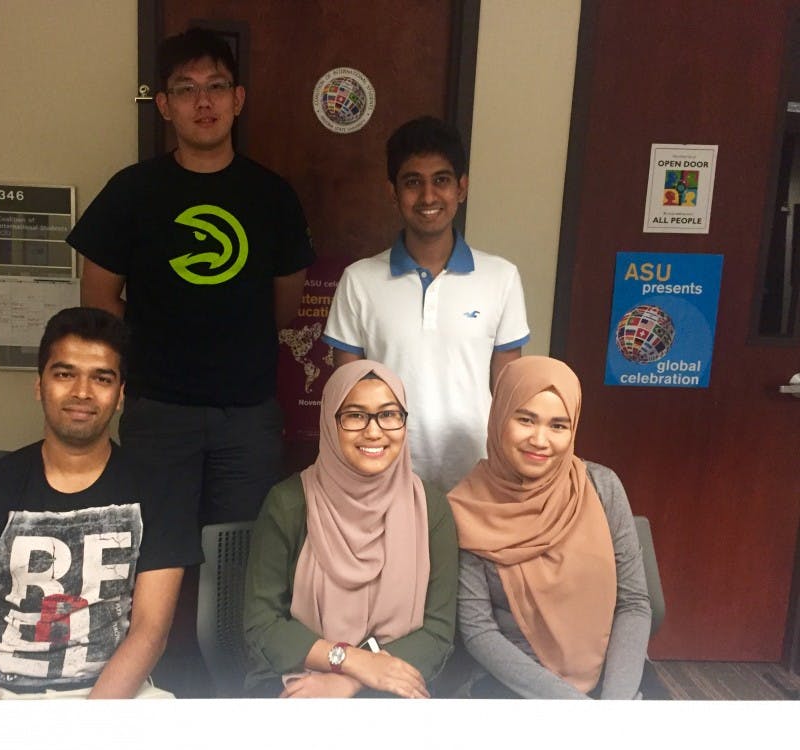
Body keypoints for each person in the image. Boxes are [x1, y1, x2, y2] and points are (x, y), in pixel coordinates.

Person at [67, 27, 315, 528]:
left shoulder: (272, 195)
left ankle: (225, 615)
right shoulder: (132, 190)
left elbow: (285, 303)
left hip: (247, 412)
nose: (203, 101)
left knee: (238, 551)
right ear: (163, 104)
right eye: (186, 88)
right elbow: (98, 298)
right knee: (157, 545)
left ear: (238, 99)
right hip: (158, 408)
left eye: (217, 86)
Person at [0, 307, 202, 699]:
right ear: (39, 384)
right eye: (64, 374)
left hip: (115, 696)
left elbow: (150, 633)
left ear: (121, 394)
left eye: (102, 378)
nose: (82, 392)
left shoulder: (160, 493)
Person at [323, 116, 529, 492]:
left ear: (462, 188)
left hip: (478, 478)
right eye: (413, 182)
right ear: (393, 192)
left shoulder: (501, 277)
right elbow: (347, 395)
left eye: (442, 180)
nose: (429, 196)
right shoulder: (359, 280)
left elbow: (508, 392)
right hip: (383, 477)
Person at [243, 360, 457, 698]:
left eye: (389, 414)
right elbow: (262, 624)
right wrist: (348, 660)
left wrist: (352, 677)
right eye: (355, 415)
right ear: (330, 422)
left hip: (397, 678)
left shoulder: (430, 509)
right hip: (298, 676)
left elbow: (439, 631)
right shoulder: (289, 503)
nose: (374, 431)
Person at [447, 355, 651, 699]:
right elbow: (478, 631)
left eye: (558, 425)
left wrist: (615, 707)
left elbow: (634, 602)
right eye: (526, 420)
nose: (540, 440)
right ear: (499, 419)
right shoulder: (466, 508)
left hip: (611, 675)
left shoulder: (601, 487)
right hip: (514, 680)